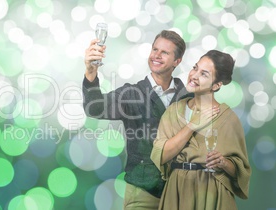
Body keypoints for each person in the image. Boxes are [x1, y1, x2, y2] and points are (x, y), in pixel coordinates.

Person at [82, 30, 191, 209]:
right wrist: (90, 72)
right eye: (154, 49)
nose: (156, 55)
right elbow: (93, 107)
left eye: (164, 52)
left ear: (177, 61)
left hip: (181, 193)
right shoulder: (131, 94)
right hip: (143, 193)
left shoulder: (188, 97)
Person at [150, 50, 251, 210]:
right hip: (177, 191)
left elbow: (241, 170)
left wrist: (223, 163)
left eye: (204, 74)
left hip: (212, 192)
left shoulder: (228, 119)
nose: (194, 75)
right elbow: (160, 155)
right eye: (195, 68)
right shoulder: (173, 111)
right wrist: (192, 126)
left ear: (217, 85)